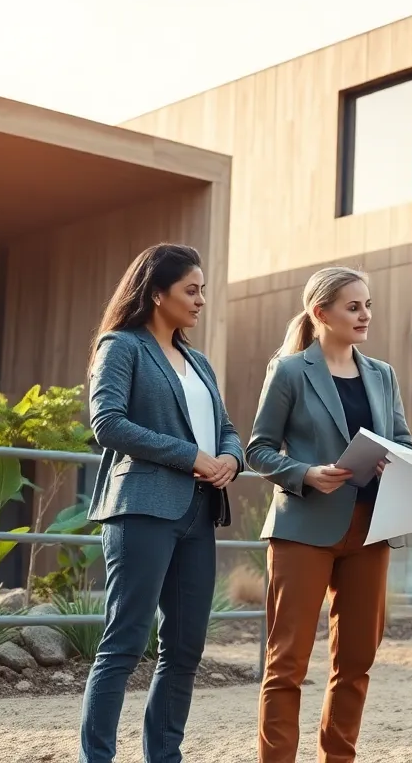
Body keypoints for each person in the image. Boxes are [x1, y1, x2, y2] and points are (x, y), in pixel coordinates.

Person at [245, 266, 412, 762]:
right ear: (321, 312)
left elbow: (401, 442)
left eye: (368, 305)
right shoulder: (289, 371)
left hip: (372, 529)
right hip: (303, 529)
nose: (365, 315)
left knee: (357, 661)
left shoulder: (382, 374)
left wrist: (404, 460)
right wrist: (306, 473)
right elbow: (258, 449)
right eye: (353, 306)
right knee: (287, 662)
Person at [81, 242, 244, 763]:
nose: (201, 300)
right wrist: (190, 455)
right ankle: (96, 757)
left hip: (199, 512)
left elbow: (226, 428)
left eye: (202, 290)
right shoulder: (121, 346)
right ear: (156, 293)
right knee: (124, 642)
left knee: (186, 647)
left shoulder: (200, 362)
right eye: (191, 290)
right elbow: (108, 424)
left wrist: (230, 458)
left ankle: (164, 756)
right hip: (141, 508)